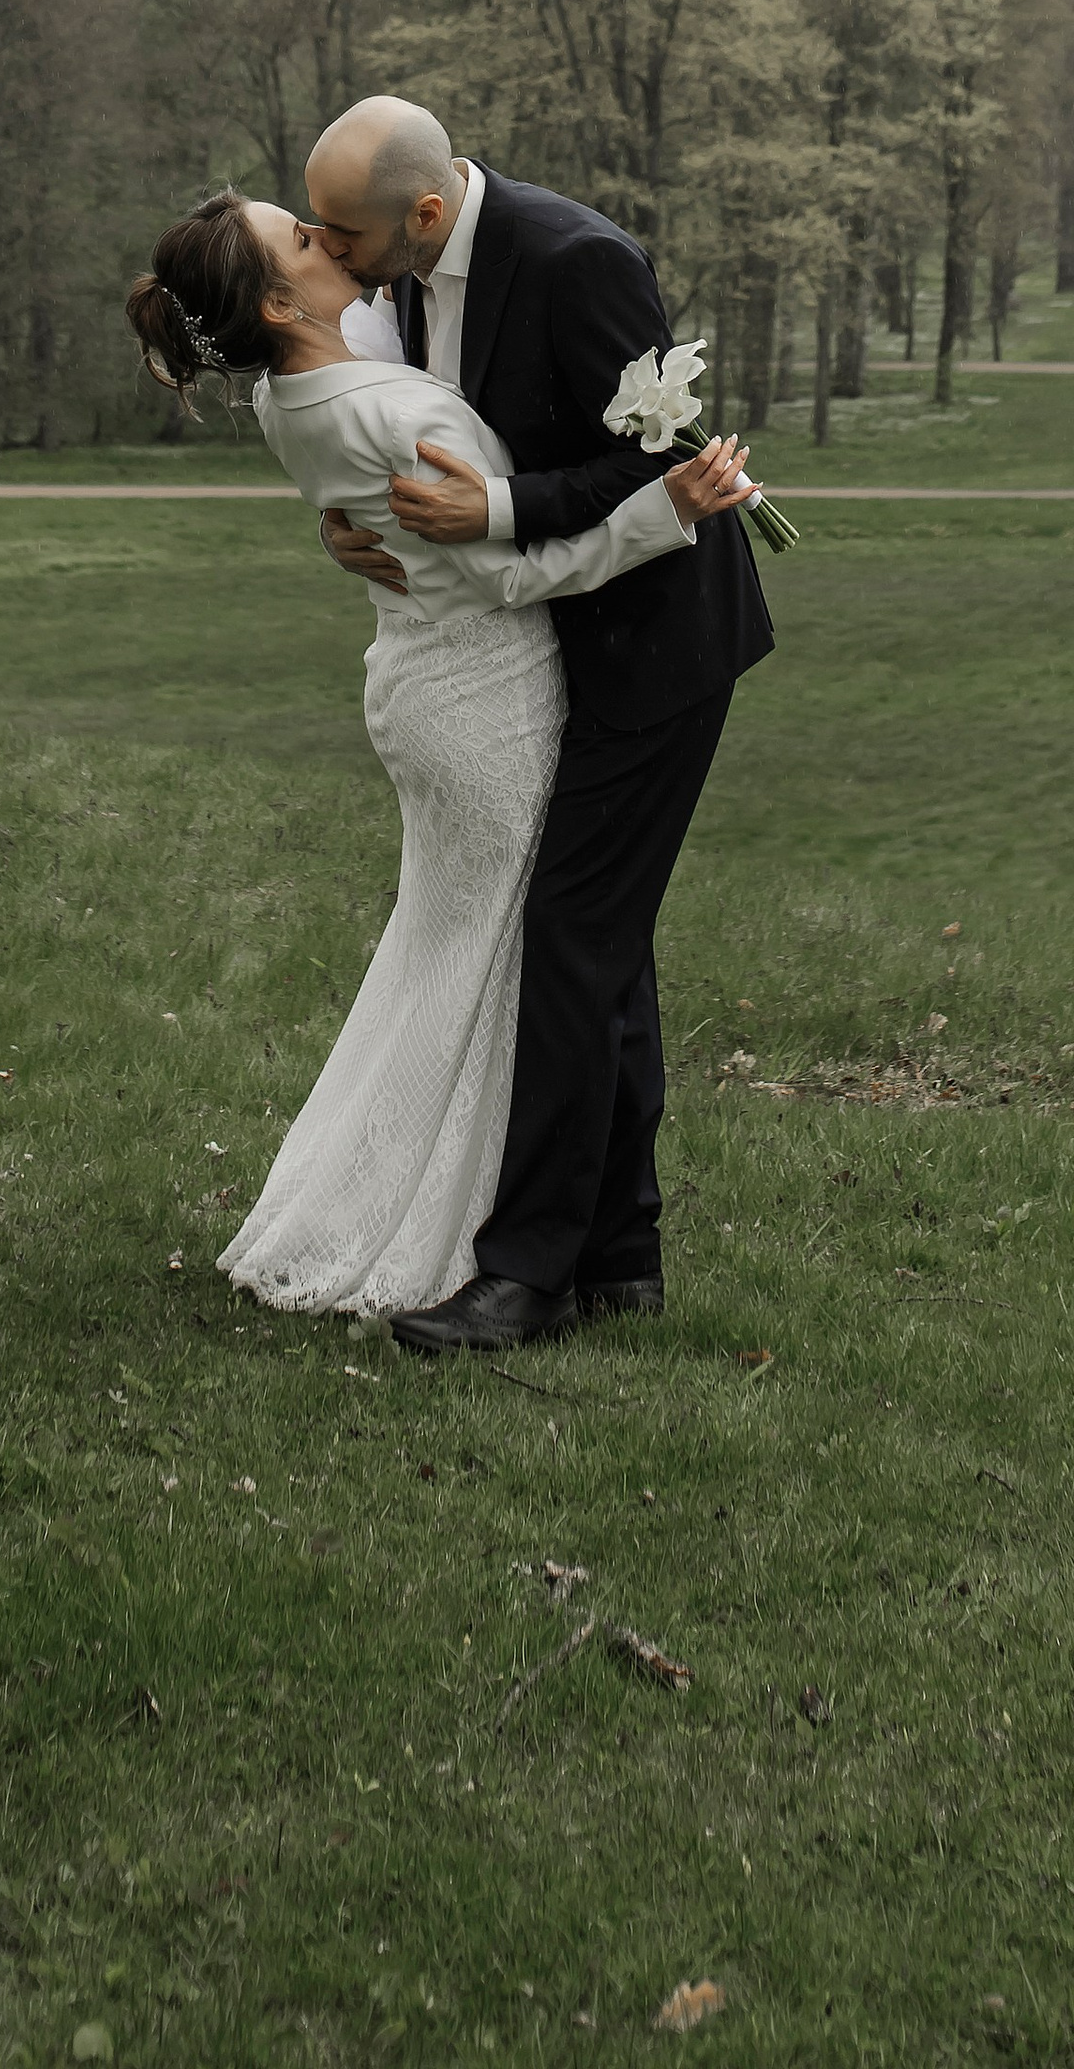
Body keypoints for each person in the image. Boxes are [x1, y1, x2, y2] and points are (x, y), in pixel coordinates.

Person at [125, 188, 755, 1319]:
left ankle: (609, 1253)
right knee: (515, 959)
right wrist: (673, 508)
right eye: (306, 240)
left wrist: (361, 511)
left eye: (328, 225)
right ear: (277, 296)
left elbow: (367, 437)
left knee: (531, 949)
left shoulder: (305, 373)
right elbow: (506, 573)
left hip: (444, 682)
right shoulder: (366, 375)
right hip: (485, 698)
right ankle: (502, 1251)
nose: (333, 244)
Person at [302, 97, 774, 1354]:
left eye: (344, 234)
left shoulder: (577, 259)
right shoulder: (389, 274)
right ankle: (622, 1254)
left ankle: (528, 1273)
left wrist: (500, 511)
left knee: (568, 936)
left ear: (425, 211)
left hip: (655, 645)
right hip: (540, 643)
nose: (329, 257)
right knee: (601, 943)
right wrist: (355, 523)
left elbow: (651, 466)